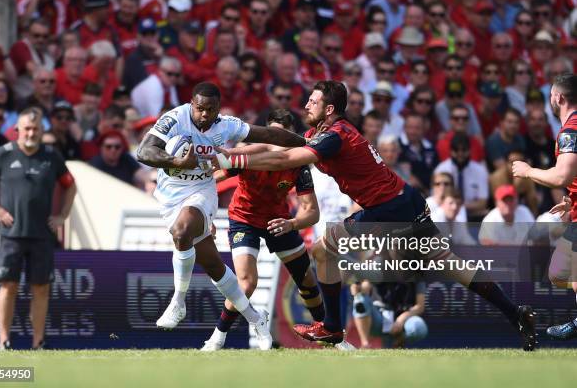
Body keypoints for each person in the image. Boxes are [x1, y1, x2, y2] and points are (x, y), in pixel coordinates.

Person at [213, 80, 536, 350]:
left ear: (328, 109)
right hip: (405, 201)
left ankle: (332, 327)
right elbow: (280, 144)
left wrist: (234, 161)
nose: (305, 105)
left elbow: (287, 158)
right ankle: (515, 313)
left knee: (323, 249)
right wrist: (239, 135)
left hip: (388, 207)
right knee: (451, 265)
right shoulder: (325, 134)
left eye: (312, 101)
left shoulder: (335, 135)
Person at [135, 82, 306, 349]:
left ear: (218, 108)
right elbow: (143, 151)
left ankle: (178, 303)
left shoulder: (227, 125)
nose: (204, 114)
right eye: (200, 108)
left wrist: (308, 144)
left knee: (181, 233)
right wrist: (176, 162)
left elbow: (270, 136)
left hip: (201, 191)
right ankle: (256, 318)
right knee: (214, 267)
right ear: (192, 104)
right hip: (169, 196)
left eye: (210, 109)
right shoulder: (173, 119)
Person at [201, 109, 325, 351]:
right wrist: (206, 215)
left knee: (306, 280)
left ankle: (329, 333)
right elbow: (209, 180)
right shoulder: (247, 155)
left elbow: (312, 212)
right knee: (246, 284)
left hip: (278, 222)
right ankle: (217, 338)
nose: (275, 142)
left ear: (291, 138)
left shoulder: (298, 165)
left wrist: (292, 223)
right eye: (271, 136)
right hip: (244, 219)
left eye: (281, 137)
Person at [0, 107, 77, 350]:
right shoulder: (3, 154)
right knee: (8, 286)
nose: (31, 132)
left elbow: (70, 185)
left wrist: (62, 216)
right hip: (10, 234)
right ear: (17, 130)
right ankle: (4, 341)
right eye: (27, 128)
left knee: (41, 288)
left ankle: (38, 343)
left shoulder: (52, 156)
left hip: (41, 234)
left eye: (36, 129)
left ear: (41, 131)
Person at [512, 73, 577, 340]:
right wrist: (570, 198)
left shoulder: (571, 131)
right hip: (575, 210)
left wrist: (528, 171)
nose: (550, 98)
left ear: (558, 97)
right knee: (559, 271)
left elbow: (561, 176)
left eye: (551, 94)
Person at [351, 279, 427, 348]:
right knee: (359, 299)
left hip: (404, 321)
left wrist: (401, 319)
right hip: (380, 320)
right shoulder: (379, 267)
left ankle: (399, 341)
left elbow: (420, 306)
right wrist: (361, 288)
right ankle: (365, 344)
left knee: (418, 327)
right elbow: (365, 284)